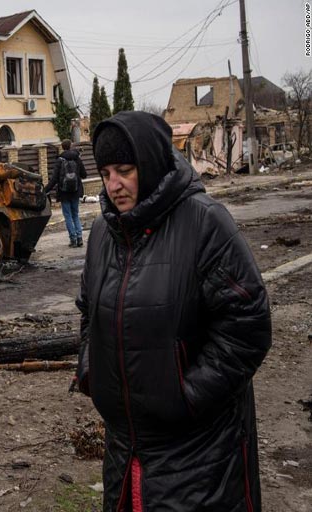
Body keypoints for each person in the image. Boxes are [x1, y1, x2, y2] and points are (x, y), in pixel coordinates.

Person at [73, 111, 271, 511]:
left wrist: (187, 395)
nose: (113, 185)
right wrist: (92, 370)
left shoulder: (204, 223)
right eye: (106, 173)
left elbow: (248, 325)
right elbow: (88, 312)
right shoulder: (104, 232)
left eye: (125, 171)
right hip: (125, 450)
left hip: (198, 454)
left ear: (149, 164)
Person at [45, 139, 87, 247]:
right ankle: (79, 238)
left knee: (68, 216)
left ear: (62, 147)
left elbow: (54, 179)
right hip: (75, 191)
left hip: (64, 193)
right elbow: (84, 175)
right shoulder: (77, 158)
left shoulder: (60, 160)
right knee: (75, 215)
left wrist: (45, 190)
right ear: (71, 146)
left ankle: (73, 239)